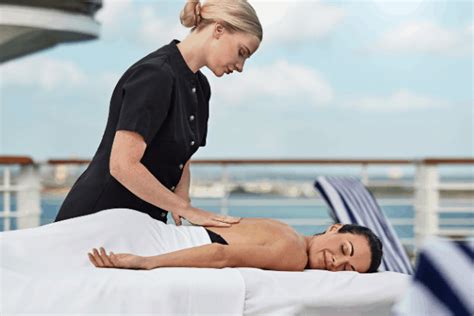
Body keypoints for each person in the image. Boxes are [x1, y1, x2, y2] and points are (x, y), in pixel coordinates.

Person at [54, 0, 262, 228]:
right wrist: (186, 210)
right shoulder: (155, 75)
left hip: (142, 224)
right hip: (96, 219)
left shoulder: (200, 86)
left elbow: (183, 157)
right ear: (219, 29)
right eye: (241, 52)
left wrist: (182, 199)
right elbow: (122, 165)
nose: (241, 66)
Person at [88, 210, 383, 273]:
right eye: (345, 249)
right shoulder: (293, 254)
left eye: (347, 270)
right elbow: (220, 254)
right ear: (334, 228)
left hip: (149, 227)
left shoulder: (284, 226)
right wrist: (145, 262)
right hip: (163, 243)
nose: (337, 262)